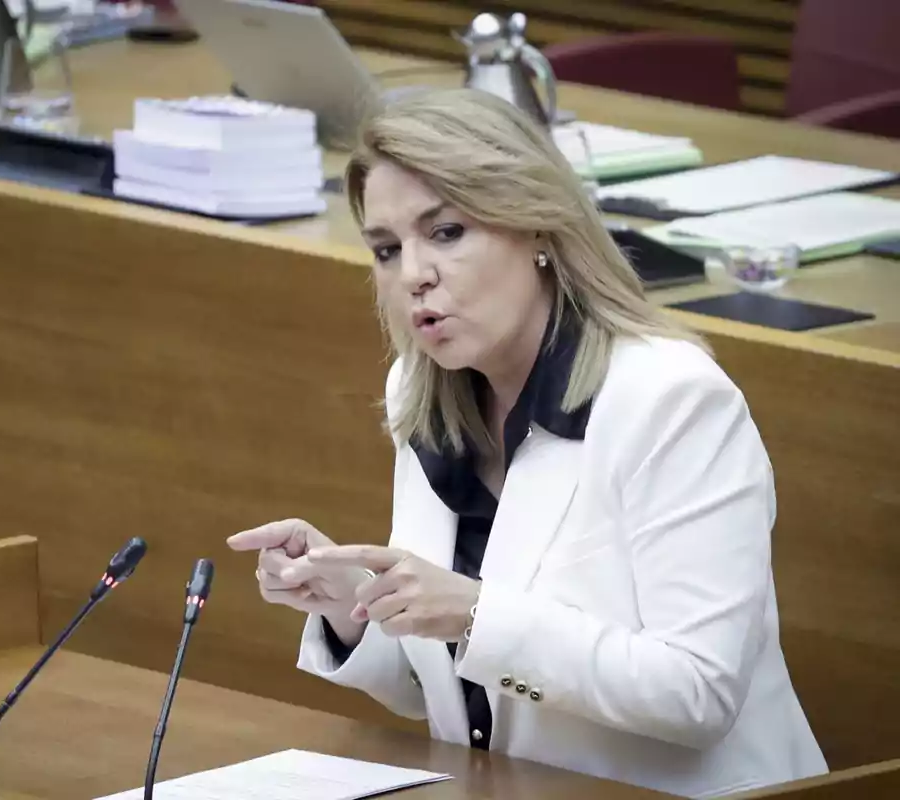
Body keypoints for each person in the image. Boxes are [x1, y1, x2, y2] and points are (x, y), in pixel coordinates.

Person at [226, 88, 828, 798]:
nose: (413, 273)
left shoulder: (670, 400)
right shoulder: (422, 393)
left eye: (445, 232)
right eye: (387, 249)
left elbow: (698, 694)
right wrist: (352, 604)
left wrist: (472, 611)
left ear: (538, 228)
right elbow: (461, 697)